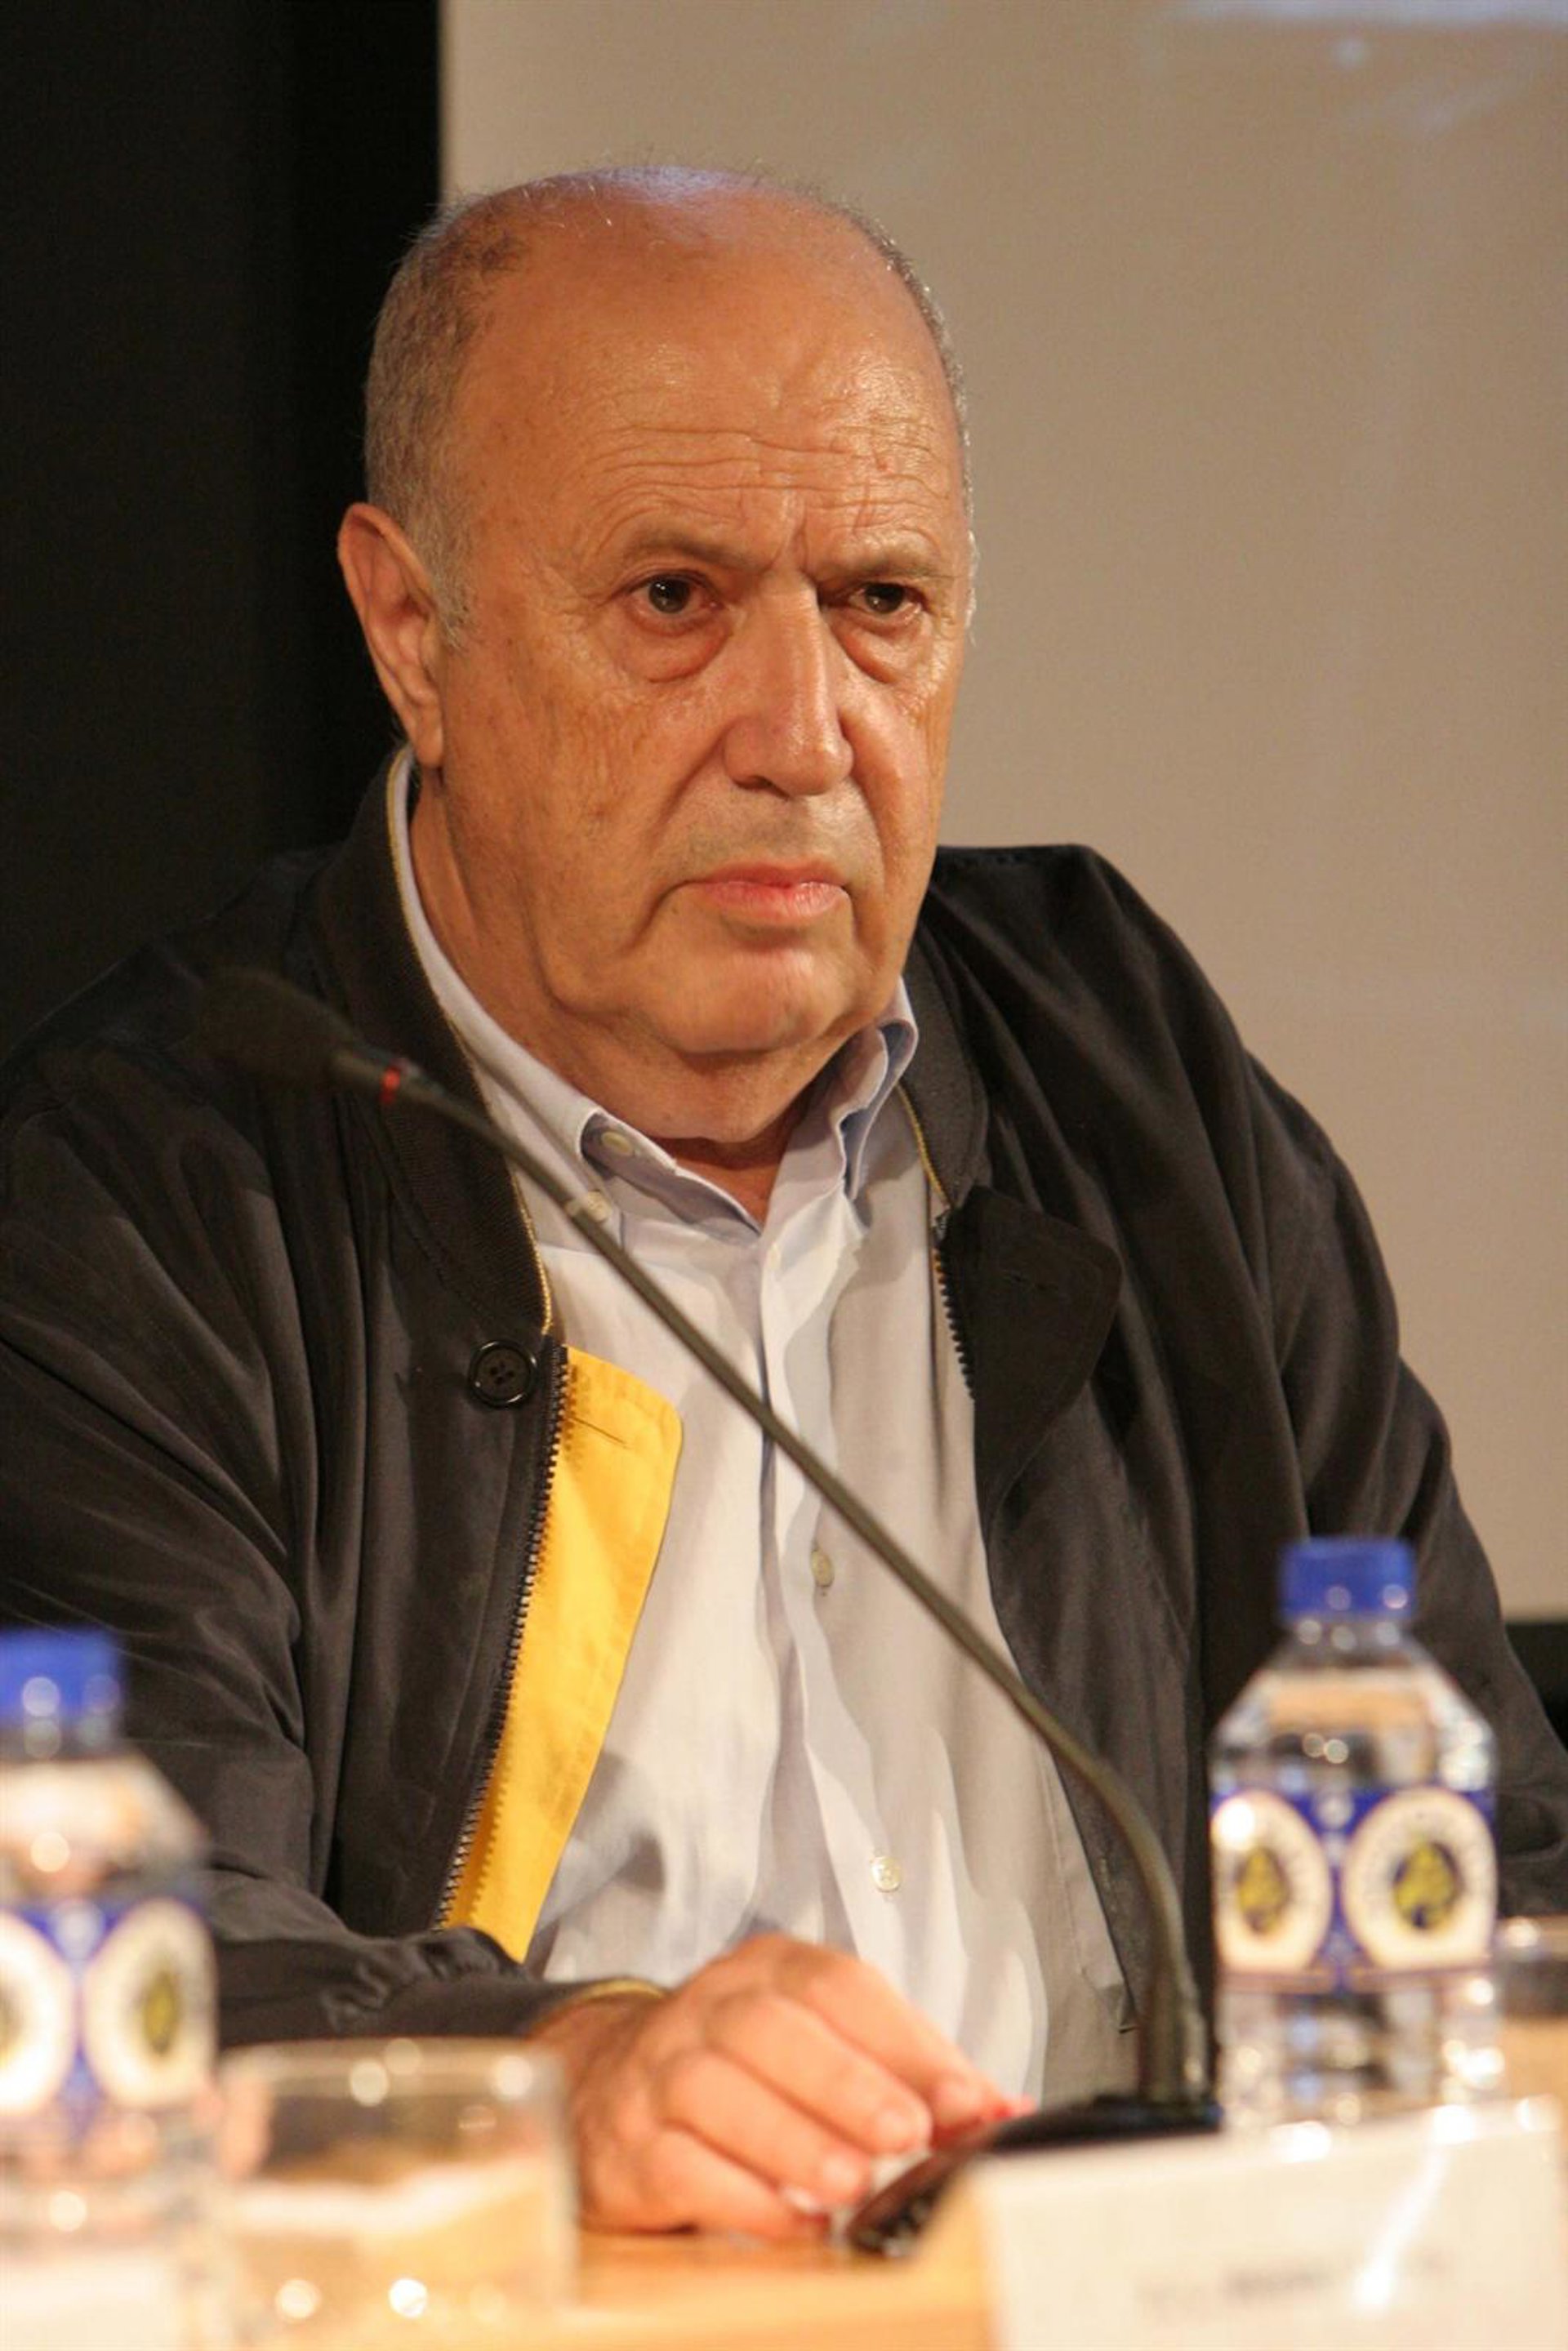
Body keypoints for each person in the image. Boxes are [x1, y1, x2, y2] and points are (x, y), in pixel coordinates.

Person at [3, 167, 1565, 2242]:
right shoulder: (152, 1182)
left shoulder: (1129, 1077)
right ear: (412, 632)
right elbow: (120, 1960)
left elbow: (1484, 1850)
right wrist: (565, 2075)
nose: (805, 733)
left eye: (881, 604)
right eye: (675, 600)